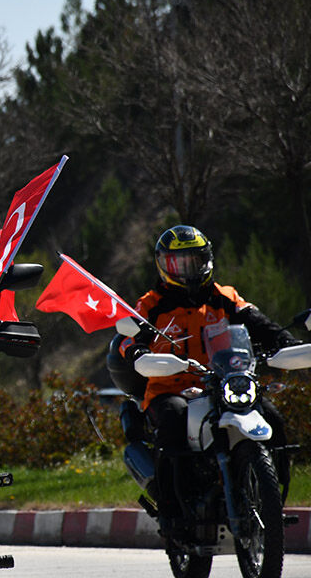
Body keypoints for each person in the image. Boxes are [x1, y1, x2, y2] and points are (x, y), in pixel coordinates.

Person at [116, 225, 298, 536]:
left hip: (224, 383)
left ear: (207, 260)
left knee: (273, 418)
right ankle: (171, 509)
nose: (188, 269)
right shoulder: (151, 303)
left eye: (194, 260)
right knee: (172, 421)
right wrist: (135, 352)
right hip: (170, 388)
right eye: (178, 263)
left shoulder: (224, 297)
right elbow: (127, 336)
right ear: (163, 265)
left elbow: (259, 322)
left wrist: (287, 343)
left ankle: (271, 500)